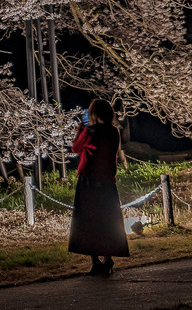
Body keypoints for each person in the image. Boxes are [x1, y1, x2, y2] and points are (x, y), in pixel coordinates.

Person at [68, 98, 130, 275]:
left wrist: (81, 130)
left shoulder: (91, 132)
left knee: (89, 222)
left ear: (93, 114)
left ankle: (95, 262)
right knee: (108, 220)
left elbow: (76, 148)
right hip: (108, 181)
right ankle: (108, 258)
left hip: (89, 182)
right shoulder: (113, 132)